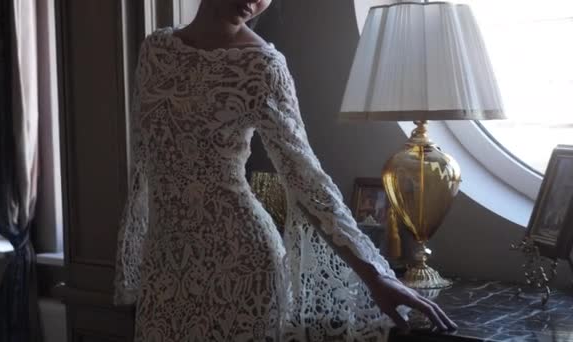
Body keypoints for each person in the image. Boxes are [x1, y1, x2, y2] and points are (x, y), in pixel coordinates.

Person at [113, 0, 457, 341]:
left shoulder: (262, 65)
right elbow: (146, 164)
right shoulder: (155, 50)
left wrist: (375, 276)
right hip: (165, 263)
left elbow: (306, 179)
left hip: (241, 265)